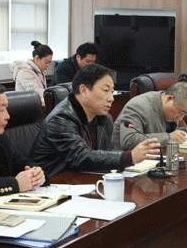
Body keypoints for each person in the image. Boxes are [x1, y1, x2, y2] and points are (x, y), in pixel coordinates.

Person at [31, 64, 160, 177]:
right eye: (106, 90)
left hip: (84, 180)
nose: (111, 98)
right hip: (54, 185)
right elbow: (81, 157)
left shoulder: (104, 118)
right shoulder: (61, 119)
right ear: (84, 90)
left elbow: (104, 154)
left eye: (112, 92)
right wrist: (129, 157)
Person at [112, 82, 187, 151]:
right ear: (169, 99)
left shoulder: (170, 107)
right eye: (181, 112)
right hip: (127, 163)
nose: (180, 118)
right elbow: (129, 141)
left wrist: (184, 131)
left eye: (185, 115)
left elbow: (163, 130)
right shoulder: (138, 106)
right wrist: (169, 137)